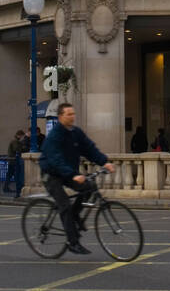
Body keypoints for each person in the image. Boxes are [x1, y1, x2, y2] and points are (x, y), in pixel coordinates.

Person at [38, 103, 115, 254]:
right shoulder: (54, 135)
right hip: (51, 174)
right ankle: (72, 242)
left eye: (73, 114)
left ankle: (75, 215)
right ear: (60, 117)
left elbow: (89, 149)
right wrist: (73, 175)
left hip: (68, 172)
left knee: (89, 187)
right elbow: (56, 160)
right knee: (65, 205)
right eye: (69, 114)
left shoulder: (76, 133)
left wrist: (104, 162)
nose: (72, 117)